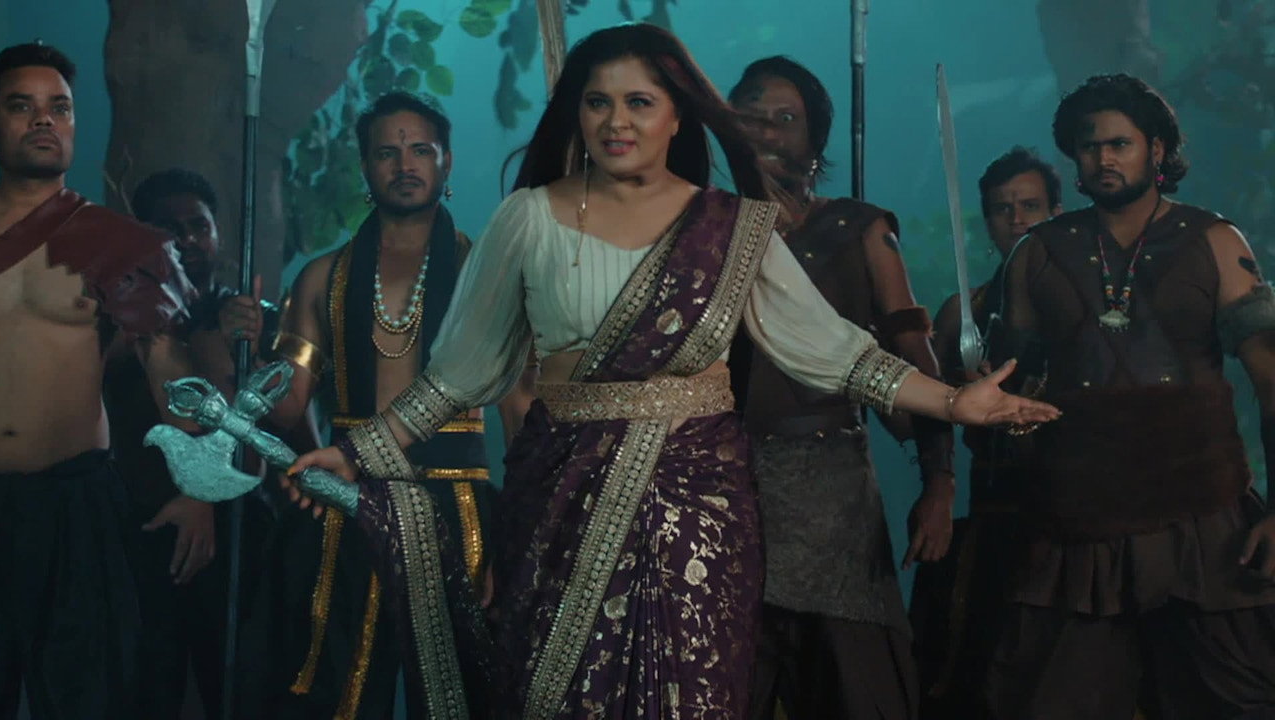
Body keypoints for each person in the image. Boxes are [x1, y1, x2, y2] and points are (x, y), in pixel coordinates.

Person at [274, 24, 1056, 717]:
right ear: (577, 114)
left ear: (678, 114)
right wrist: (355, 453)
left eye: (639, 102)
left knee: (692, 694)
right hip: (562, 498)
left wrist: (956, 403)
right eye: (598, 102)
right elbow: (457, 375)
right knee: (556, 692)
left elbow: (837, 351)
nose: (617, 121)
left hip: (699, 506)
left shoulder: (732, 228)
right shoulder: (530, 218)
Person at [225, 92, 526, 719]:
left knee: (461, 695)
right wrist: (251, 352)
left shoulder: (487, 272)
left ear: (446, 161)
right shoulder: (322, 277)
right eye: (387, 152)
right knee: (334, 690)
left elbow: (519, 411)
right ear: (365, 167)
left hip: (457, 506)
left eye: (421, 150)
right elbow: (289, 410)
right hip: (346, 503)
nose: (405, 164)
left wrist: (518, 536)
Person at [984, 74, 1275, 719]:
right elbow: (1008, 388)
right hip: (1079, 519)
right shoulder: (1037, 254)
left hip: (1202, 512)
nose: (1104, 158)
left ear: (1158, 149)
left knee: (1236, 702)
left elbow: (1272, 381)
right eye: (1090, 146)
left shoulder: (1215, 241)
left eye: (1120, 144)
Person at [727, 56, 951, 720]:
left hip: (833, 485)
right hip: (726, 480)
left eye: (785, 118)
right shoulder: (705, 229)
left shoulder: (859, 229)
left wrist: (939, 483)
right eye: (751, 116)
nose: (767, 131)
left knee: (859, 686)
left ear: (815, 140)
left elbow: (911, 354)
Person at [0, 42, 196, 719]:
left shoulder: (110, 239)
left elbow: (167, 367)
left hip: (74, 501)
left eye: (59, 108)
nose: (43, 120)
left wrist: (198, 488)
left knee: (87, 696)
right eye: (22, 106)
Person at [104, 168, 277, 719]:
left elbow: (272, 431)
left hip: (236, 528)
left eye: (199, 226)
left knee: (239, 689)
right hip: (144, 529)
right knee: (149, 689)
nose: (187, 240)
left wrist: (243, 344)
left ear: (218, 234)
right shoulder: (118, 318)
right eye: (168, 229)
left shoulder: (244, 318)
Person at [908, 146, 1063, 719]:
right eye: (1003, 209)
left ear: (1057, 213)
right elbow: (929, 410)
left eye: (1030, 206)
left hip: (1078, 511)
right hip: (996, 507)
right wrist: (939, 487)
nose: (1017, 220)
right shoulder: (964, 312)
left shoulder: (1089, 306)